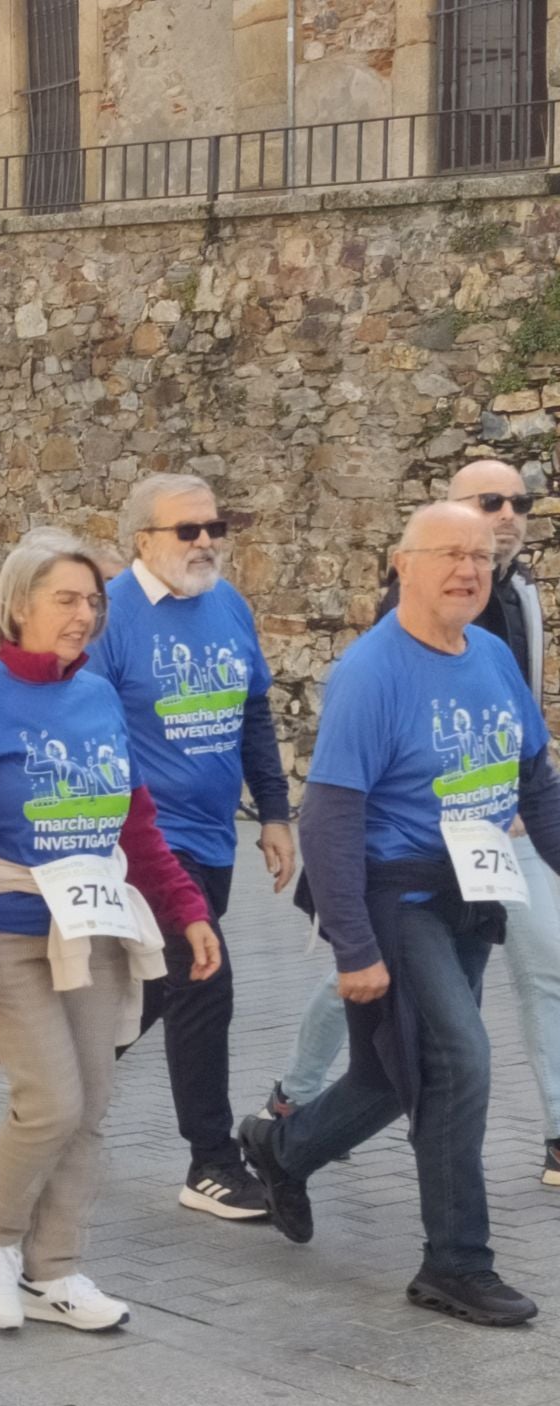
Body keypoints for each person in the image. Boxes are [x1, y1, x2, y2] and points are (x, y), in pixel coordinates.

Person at [240, 503, 560, 1327]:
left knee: (392, 1072)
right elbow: (330, 818)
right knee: (459, 1060)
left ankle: (283, 1146)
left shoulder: (490, 657)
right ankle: (455, 1263)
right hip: (399, 893)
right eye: (449, 553)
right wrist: (354, 946)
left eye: (482, 558)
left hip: (472, 892)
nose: (468, 569)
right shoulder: (372, 672)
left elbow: (536, 785)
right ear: (401, 564)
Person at [0, 529, 219, 1336]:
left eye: (92, 600)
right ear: (18, 606)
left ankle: (54, 1273)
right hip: (5, 933)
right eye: (66, 598)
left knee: (90, 1105)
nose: (85, 614)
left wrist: (186, 907)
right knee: (49, 1103)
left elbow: (136, 823)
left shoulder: (96, 696)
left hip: (90, 930)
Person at [89, 475, 292, 1221]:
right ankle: (211, 1161)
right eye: (188, 530)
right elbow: (90, 730)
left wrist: (272, 812)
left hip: (212, 837)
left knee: (149, 993)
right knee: (206, 983)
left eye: (215, 525)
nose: (206, 541)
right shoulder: (110, 616)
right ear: (143, 538)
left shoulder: (228, 605)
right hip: (146, 841)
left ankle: (57, 1095)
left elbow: (253, 712)